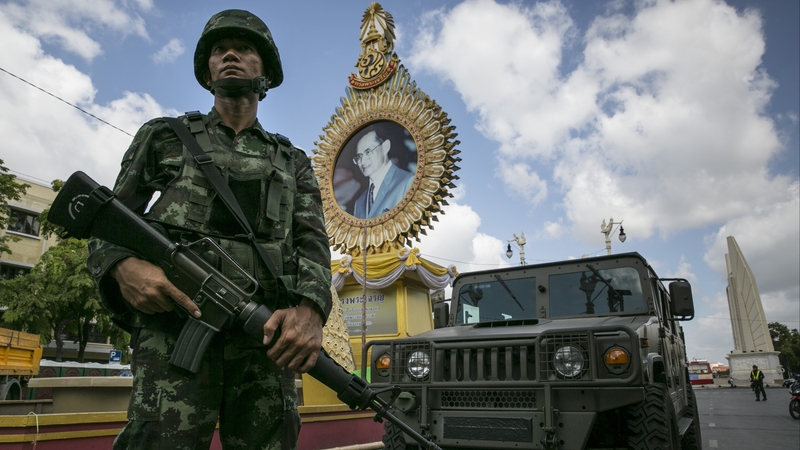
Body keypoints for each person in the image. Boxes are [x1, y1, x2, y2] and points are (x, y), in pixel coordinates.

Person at [87, 9, 331, 450]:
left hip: (264, 339)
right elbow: (107, 220)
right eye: (220, 49)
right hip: (174, 332)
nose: (231, 55)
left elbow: (313, 244)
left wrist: (311, 312)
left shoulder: (292, 161)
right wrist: (122, 267)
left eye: (245, 48)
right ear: (207, 69)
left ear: (267, 72)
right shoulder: (165, 137)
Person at [351, 123, 414, 218]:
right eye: (359, 156)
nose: (362, 161)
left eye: (368, 152)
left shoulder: (407, 182)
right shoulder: (359, 203)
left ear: (385, 147)